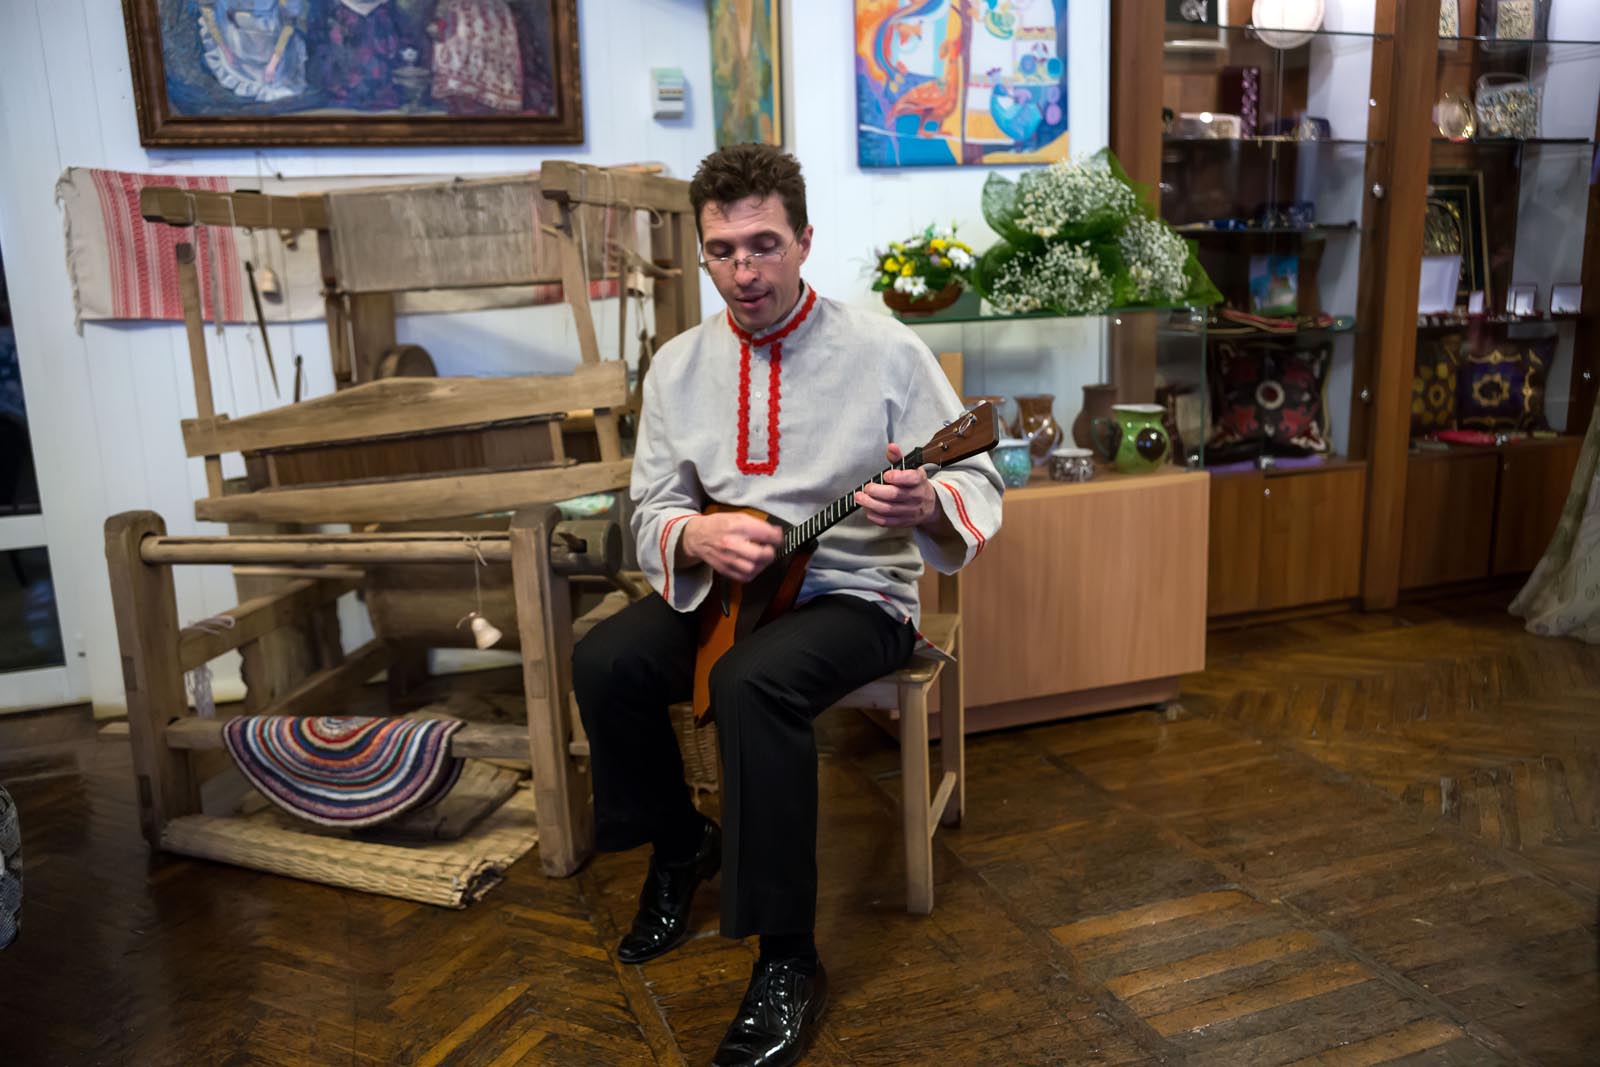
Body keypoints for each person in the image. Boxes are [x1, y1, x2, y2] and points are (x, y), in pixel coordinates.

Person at [572, 143, 1002, 1067]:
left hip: (854, 592)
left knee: (751, 682)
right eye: (723, 250)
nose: (745, 270)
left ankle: (788, 957)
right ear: (703, 253)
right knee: (605, 661)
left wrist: (926, 503)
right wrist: (696, 535)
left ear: (805, 240)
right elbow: (652, 507)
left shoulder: (885, 349)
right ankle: (682, 843)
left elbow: (977, 476)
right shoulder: (676, 366)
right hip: (733, 591)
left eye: (764, 244)